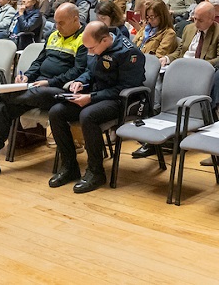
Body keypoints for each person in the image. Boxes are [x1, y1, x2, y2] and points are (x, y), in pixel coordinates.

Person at [0, 3, 88, 179]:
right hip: (35, 88)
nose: (57, 27)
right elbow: (38, 62)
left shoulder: (84, 39)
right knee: (5, 107)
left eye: (61, 23)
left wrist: (49, 81)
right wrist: (27, 77)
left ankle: (0, 93)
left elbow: (78, 71)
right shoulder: (53, 36)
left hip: (60, 90)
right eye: (56, 23)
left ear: (76, 19)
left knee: (31, 93)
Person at [47, 22, 146, 193]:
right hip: (97, 94)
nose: (90, 52)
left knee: (88, 115)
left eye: (92, 48)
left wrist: (91, 97)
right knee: (57, 112)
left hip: (121, 100)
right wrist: (80, 81)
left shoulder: (129, 53)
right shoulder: (94, 45)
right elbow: (90, 71)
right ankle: (69, 166)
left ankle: (96, 172)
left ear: (105, 40)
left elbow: (124, 88)